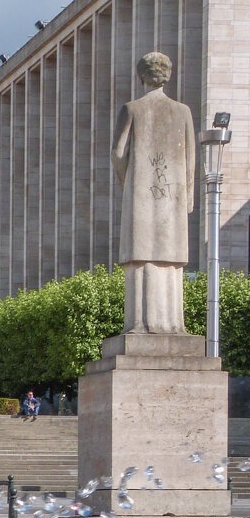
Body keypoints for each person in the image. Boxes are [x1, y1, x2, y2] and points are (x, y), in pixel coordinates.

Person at [111, 51, 196, 334]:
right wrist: (188, 197)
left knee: (141, 258)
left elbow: (118, 154)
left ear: (141, 76)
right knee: (169, 261)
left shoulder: (132, 109)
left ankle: (138, 326)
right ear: (167, 76)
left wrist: (129, 184)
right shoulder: (183, 112)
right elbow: (190, 161)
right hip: (172, 201)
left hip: (142, 199)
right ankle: (173, 326)